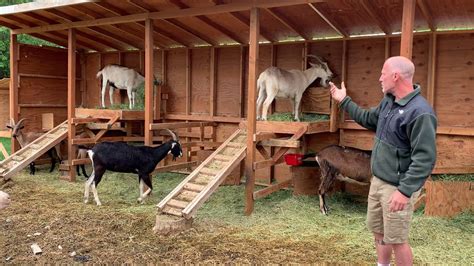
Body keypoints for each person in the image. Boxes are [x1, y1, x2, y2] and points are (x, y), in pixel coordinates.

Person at [329, 56, 437, 266]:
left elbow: (425, 158)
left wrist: (404, 191)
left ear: (395, 76)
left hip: (397, 187)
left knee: (397, 240)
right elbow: (370, 120)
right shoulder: (389, 101)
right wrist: (344, 101)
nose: (379, 78)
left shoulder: (420, 112)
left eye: (383, 73)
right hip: (378, 180)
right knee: (379, 232)